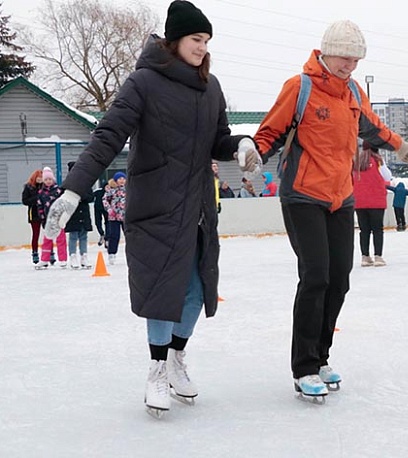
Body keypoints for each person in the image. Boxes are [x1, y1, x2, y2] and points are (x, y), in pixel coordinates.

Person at [43, 0, 258, 418]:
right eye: (196, 39)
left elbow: (219, 140)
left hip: (197, 208)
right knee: (163, 290)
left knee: (197, 291)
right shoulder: (143, 83)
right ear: (175, 39)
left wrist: (241, 145)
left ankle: (177, 358)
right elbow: (107, 136)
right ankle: (157, 368)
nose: (202, 47)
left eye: (207, 41)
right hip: (155, 206)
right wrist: (72, 191)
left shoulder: (210, 87)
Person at [252, 19, 408, 399]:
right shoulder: (301, 86)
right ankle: (304, 366)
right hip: (303, 194)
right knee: (316, 276)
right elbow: (271, 131)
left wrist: (397, 143)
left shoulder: (353, 91)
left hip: (342, 196)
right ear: (326, 52)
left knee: (340, 277)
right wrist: (253, 152)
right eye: (345, 57)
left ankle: (321, 357)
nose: (350, 66)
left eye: (356, 60)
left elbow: (370, 126)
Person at [353, 141, 389, 267]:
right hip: (376, 201)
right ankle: (378, 256)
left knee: (364, 230)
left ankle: (365, 256)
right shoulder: (378, 161)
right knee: (377, 229)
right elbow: (387, 176)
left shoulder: (356, 163)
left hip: (360, 201)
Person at [64, 161, 94, 269]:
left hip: (84, 214)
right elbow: (64, 197)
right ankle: (72, 256)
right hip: (73, 214)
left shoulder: (86, 183)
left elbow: (91, 197)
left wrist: (82, 197)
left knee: (83, 236)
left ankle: (84, 256)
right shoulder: (67, 184)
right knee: (73, 236)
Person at [37, 167, 68, 268]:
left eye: (50, 179)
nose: (48, 181)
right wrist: (42, 217)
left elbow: (63, 203)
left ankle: (63, 259)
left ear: (53, 179)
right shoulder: (41, 193)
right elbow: (39, 206)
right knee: (47, 240)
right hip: (48, 220)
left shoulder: (58, 191)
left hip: (58, 219)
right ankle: (44, 259)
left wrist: (63, 216)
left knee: (61, 239)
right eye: (46, 180)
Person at [103, 174, 127, 265]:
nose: (122, 180)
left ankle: (132, 253)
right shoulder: (111, 190)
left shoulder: (128, 190)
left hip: (126, 216)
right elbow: (105, 200)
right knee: (114, 235)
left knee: (129, 236)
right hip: (114, 217)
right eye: (120, 179)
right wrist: (109, 209)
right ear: (116, 180)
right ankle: (112, 253)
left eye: (123, 178)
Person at [21, 169, 43, 264]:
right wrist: (36, 199)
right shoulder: (29, 187)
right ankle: (35, 252)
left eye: (42, 177)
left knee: (48, 234)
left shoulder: (45, 187)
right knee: (35, 234)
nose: (40, 179)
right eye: (38, 177)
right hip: (34, 214)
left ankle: (50, 252)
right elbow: (25, 201)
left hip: (45, 213)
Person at [92, 179, 109, 246]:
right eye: (106, 187)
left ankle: (107, 239)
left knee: (108, 224)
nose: (108, 188)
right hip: (97, 209)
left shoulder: (110, 193)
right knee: (98, 223)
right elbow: (91, 196)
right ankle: (102, 234)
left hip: (107, 210)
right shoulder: (98, 191)